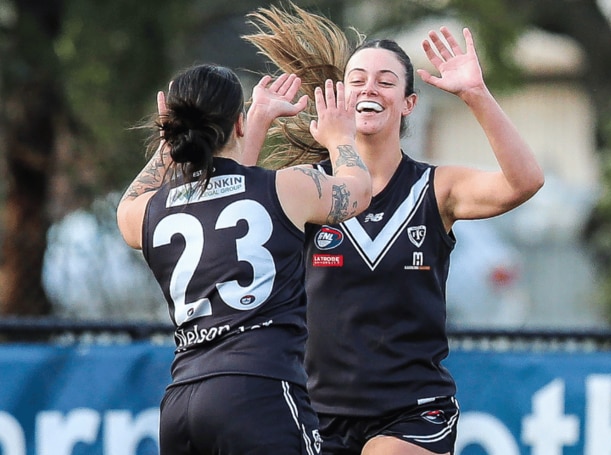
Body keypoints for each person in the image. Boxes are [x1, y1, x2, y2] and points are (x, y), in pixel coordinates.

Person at [244, 4, 545, 455]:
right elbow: (230, 209)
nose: (371, 88)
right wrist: (257, 122)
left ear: (408, 104)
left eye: (386, 82)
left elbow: (525, 181)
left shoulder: (436, 187)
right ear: (340, 97)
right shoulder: (311, 187)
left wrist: (477, 94)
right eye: (358, 79)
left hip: (412, 409)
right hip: (318, 411)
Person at [116, 63, 371, 454]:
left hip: (182, 406)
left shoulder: (149, 212)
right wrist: (341, 138)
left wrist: (173, 141)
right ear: (238, 123)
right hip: (260, 391)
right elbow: (358, 190)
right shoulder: (288, 187)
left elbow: (137, 201)